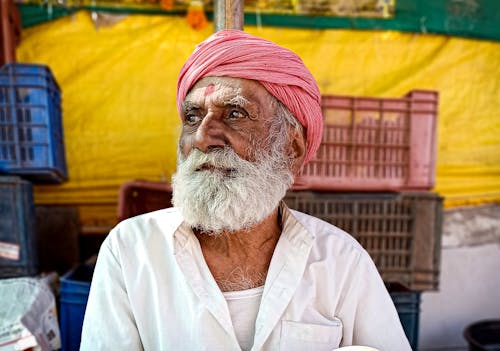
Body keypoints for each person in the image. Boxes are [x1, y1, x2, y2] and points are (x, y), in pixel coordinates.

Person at [81, 29, 412, 351]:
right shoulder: (131, 250)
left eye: (235, 114)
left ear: (291, 147)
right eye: (192, 117)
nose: (203, 137)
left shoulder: (340, 261)